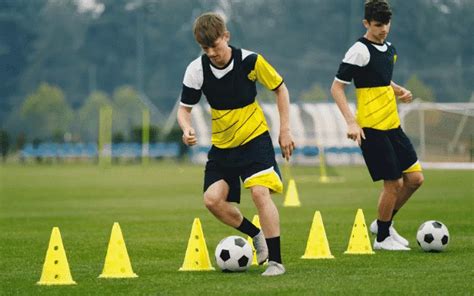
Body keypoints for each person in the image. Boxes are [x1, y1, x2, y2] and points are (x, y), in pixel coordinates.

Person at [177, 12, 295, 275]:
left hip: (255, 139)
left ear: (226, 37)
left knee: (258, 192)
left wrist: (285, 130)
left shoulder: (250, 61)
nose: (212, 53)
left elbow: (280, 89)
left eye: (215, 46)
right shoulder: (196, 70)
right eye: (205, 49)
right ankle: (256, 235)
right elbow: (184, 110)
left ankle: (275, 261)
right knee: (212, 200)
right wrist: (186, 129)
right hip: (223, 146)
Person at [330, 0, 424, 251]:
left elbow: (379, 78)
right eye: (378, 25)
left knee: (414, 179)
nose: (383, 29)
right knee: (393, 184)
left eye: (386, 24)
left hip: (393, 125)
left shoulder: (390, 48)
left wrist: (397, 89)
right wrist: (351, 122)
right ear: (366, 24)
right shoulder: (358, 51)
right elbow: (337, 87)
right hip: (372, 128)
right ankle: (382, 238)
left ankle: (383, 223)